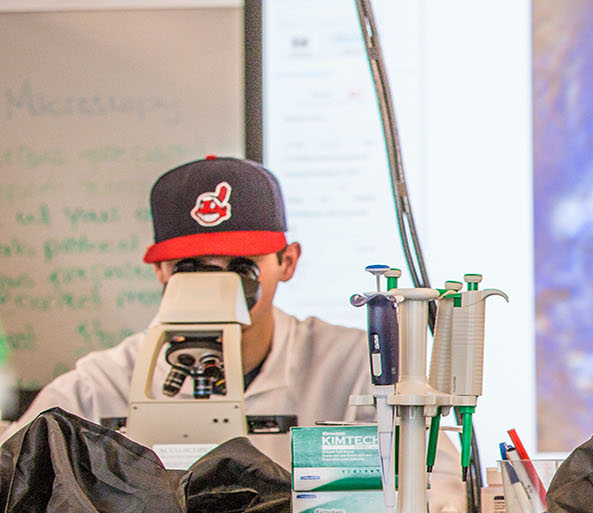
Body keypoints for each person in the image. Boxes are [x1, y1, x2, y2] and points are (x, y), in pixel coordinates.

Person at [4, 156, 370, 445]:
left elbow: (423, 488)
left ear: (287, 262)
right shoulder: (100, 387)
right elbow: (17, 477)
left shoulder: (352, 367)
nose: (217, 287)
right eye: (191, 268)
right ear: (160, 271)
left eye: (241, 267)